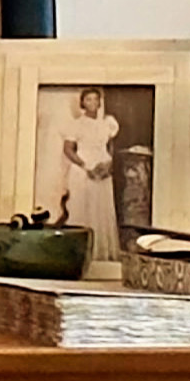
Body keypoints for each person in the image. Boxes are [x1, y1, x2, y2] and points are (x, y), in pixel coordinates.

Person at [54, 87, 124, 257]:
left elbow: (110, 147)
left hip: (103, 169)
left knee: (102, 209)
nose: (92, 103)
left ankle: (101, 251)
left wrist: (108, 165)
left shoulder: (107, 123)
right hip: (83, 169)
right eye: (88, 99)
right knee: (83, 208)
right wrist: (87, 167)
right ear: (82, 103)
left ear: (100, 102)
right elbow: (68, 150)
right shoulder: (76, 124)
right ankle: (81, 253)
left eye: (95, 99)